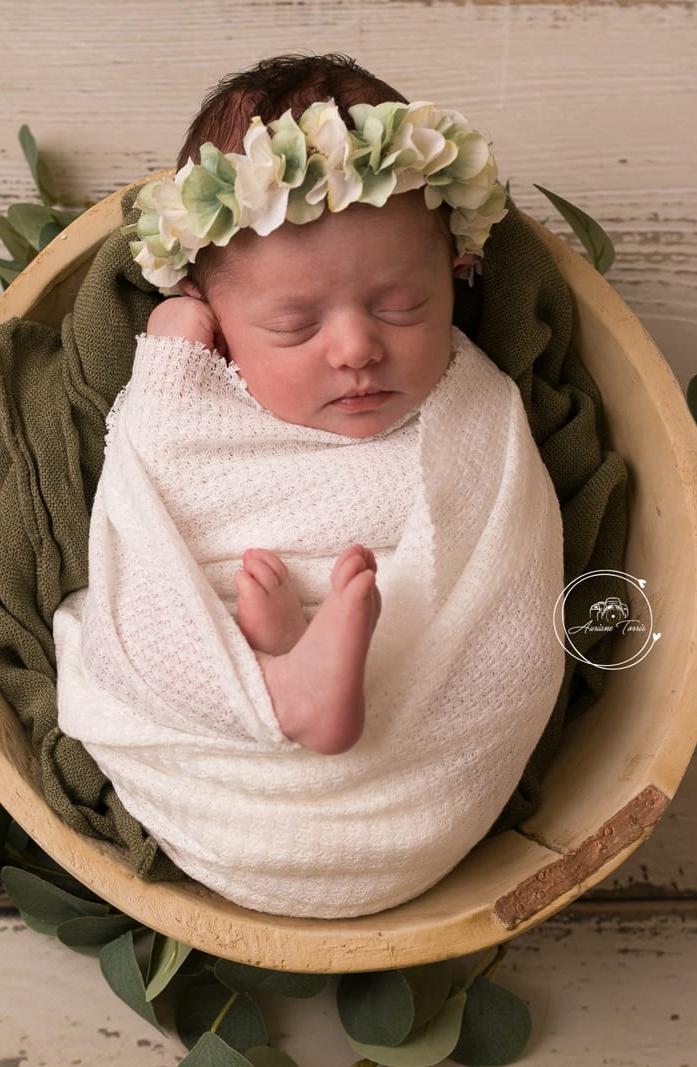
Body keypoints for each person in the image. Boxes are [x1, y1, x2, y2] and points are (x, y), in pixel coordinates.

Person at [50, 54, 568, 918]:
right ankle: (276, 680)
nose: (358, 348)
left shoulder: (471, 402)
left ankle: (302, 666)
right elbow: (147, 493)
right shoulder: (195, 403)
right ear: (214, 309)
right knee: (120, 634)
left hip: (418, 782)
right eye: (294, 324)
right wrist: (178, 340)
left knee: (511, 645)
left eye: (404, 305)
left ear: (458, 273)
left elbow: (508, 570)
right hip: (226, 759)